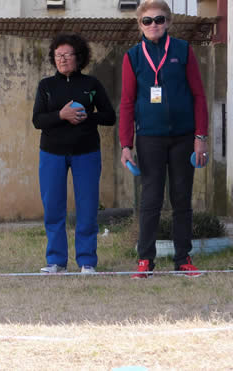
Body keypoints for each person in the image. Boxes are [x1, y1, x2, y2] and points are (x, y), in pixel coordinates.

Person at [119, 0, 208, 278]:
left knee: (181, 200)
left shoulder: (182, 50)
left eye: (159, 20)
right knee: (151, 200)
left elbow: (199, 96)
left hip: (183, 137)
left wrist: (200, 137)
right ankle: (145, 260)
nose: (154, 25)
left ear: (168, 22)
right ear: (140, 25)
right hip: (149, 139)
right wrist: (126, 144)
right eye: (147, 21)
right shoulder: (132, 56)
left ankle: (183, 259)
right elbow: (127, 102)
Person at [32, 33, 116, 274]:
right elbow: (37, 120)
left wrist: (85, 116)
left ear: (79, 58)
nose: (63, 59)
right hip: (52, 153)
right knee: (53, 207)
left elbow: (109, 116)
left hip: (86, 152)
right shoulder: (46, 86)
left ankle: (87, 261)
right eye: (58, 55)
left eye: (68, 55)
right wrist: (61, 115)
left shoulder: (91, 84)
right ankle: (56, 261)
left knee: (87, 207)